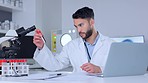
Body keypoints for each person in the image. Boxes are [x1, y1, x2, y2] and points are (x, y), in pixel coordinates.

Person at [33, 7, 112, 74]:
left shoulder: (110, 44)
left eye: (81, 25)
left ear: (91, 22)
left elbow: (121, 68)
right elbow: (55, 65)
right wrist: (41, 47)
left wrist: (99, 69)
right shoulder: (71, 46)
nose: (79, 30)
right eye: (76, 26)